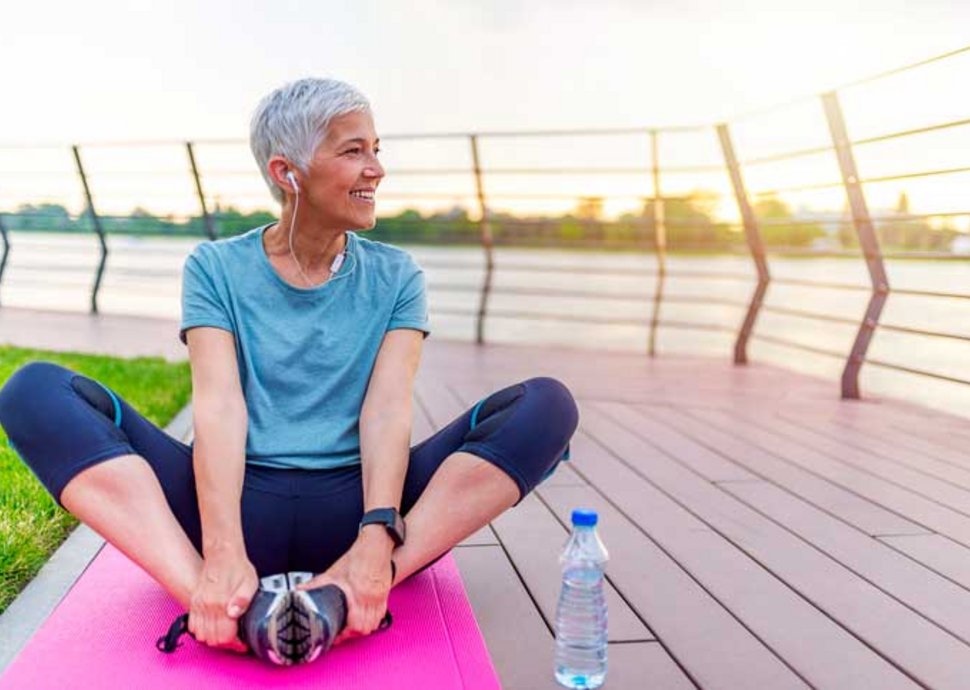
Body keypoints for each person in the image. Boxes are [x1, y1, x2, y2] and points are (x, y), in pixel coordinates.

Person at [0, 77, 579, 665]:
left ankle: (350, 590)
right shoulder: (215, 266)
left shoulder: (398, 276)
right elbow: (220, 405)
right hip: (231, 507)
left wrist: (377, 539)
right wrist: (223, 549)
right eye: (354, 151)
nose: (376, 169)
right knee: (33, 390)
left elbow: (387, 410)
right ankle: (215, 598)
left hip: (359, 515)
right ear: (288, 173)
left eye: (376, 149)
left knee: (547, 406)